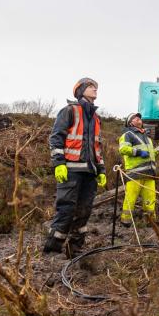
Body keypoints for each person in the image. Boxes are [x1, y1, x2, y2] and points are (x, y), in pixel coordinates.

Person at [43, 77, 107, 257]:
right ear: (80, 91)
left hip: (90, 172)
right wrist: (59, 164)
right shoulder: (69, 111)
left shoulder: (96, 118)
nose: (95, 89)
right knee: (66, 209)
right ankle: (52, 250)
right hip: (70, 170)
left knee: (84, 212)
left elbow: (97, 147)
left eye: (96, 86)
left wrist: (101, 170)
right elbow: (56, 138)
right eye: (91, 86)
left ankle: (75, 249)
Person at [118, 112, 158, 227]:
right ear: (130, 122)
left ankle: (151, 223)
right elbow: (123, 149)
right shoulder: (128, 134)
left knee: (150, 200)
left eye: (139, 118)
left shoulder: (147, 137)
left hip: (149, 174)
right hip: (135, 173)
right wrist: (138, 152)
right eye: (135, 118)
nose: (139, 119)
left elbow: (151, 154)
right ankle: (125, 222)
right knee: (131, 198)